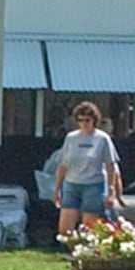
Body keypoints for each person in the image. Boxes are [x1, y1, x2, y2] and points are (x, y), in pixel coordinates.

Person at [52, 100, 123, 239]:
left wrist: (111, 190)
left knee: (89, 231)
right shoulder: (71, 138)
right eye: (80, 120)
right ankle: (74, 254)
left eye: (87, 120)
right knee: (65, 231)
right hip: (71, 185)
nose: (84, 123)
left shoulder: (102, 139)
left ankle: (86, 257)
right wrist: (57, 189)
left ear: (94, 120)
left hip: (93, 186)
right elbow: (63, 165)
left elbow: (111, 166)